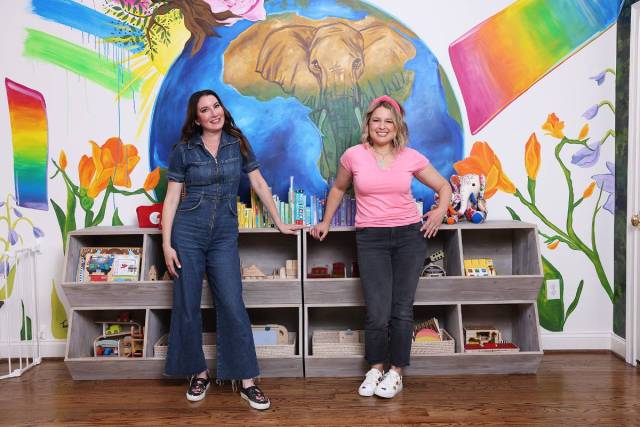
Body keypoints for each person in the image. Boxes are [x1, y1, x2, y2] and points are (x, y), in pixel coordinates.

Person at [162, 89, 302, 409]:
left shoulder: (237, 143)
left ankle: (246, 380)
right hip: (188, 233)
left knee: (232, 303)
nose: (214, 113)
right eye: (205, 110)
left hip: (224, 234)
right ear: (196, 119)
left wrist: (280, 222)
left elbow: (259, 183)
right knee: (187, 304)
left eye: (216, 106)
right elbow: (171, 199)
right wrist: (167, 244)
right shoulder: (184, 150)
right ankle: (198, 374)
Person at [310, 95, 451, 399]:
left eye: (389, 121)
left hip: (408, 238)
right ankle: (375, 369)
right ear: (368, 124)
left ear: (398, 126)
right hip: (371, 238)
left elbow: (444, 186)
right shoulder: (353, 156)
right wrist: (325, 221)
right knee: (377, 311)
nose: (382, 126)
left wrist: (439, 211)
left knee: (401, 309)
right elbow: (338, 188)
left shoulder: (411, 157)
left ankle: (396, 372)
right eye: (377, 120)